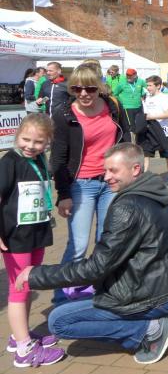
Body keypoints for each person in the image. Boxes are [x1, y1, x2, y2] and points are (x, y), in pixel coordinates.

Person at [17, 143, 168, 365]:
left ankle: (150, 331)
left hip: (160, 295)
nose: (106, 177)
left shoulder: (127, 207)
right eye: (105, 170)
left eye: (113, 171)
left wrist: (36, 275)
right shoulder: (153, 190)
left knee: (59, 321)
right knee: (84, 294)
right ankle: (145, 323)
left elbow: (96, 267)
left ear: (135, 169)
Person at [50, 65, 129, 303]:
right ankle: (61, 297)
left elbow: (125, 138)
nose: (84, 93)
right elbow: (58, 158)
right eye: (77, 88)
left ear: (99, 87)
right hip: (80, 184)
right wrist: (63, 193)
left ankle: (100, 289)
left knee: (107, 241)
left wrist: (128, 175)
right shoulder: (64, 113)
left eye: (90, 88)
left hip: (111, 183)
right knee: (78, 245)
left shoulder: (113, 106)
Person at [0, 114, 66, 368]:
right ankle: (24, 351)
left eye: (38, 142)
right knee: (19, 289)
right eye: (26, 139)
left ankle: (20, 336)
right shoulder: (10, 161)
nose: (31, 146)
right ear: (17, 136)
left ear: (47, 141)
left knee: (29, 284)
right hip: (15, 236)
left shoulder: (39, 159)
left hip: (36, 232)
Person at [139, 75, 168, 186]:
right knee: (146, 154)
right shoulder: (146, 97)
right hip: (149, 130)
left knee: (167, 155)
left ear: (158, 86)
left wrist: (152, 117)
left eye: (150, 85)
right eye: (147, 85)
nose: (148, 88)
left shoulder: (163, 97)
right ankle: (144, 178)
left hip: (162, 131)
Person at [112, 68, 146, 142]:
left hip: (139, 107)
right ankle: (131, 144)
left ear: (135, 75)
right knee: (131, 127)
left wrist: (143, 94)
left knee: (140, 126)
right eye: (127, 75)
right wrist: (121, 101)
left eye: (130, 76)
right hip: (127, 108)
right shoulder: (122, 83)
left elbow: (146, 89)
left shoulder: (140, 81)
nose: (128, 77)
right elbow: (114, 94)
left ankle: (139, 142)